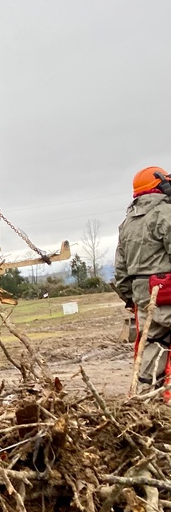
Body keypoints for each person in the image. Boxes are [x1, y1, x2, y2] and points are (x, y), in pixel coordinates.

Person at [114, 166, 171, 391]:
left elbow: (120, 271)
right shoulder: (165, 213)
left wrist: (130, 299)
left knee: (152, 346)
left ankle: (146, 400)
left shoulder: (128, 223)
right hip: (166, 291)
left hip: (143, 295)